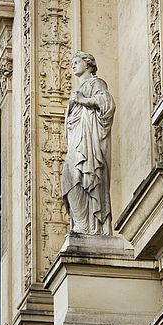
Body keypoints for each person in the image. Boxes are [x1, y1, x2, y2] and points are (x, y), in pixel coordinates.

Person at [62, 51, 115, 235]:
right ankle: (80, 222)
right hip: (77, 138)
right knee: (68, 176)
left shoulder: (96, 83)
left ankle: (90, 226)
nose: (73, 65)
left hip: (89, 140)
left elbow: (107, 103)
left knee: (81, 175)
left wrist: (84, 101)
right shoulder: (76, 90)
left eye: (76, 61)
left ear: (88, 64)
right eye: (72, 62)